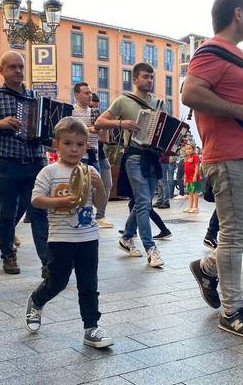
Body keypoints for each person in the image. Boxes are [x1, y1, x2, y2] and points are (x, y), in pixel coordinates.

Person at [182, 0, 243, 339]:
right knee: (234, 235)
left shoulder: (240, 58)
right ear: (238, 14)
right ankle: (232, 312)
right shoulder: (209, 51)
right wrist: (241, 111)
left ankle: (206, 268)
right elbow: (189, 93)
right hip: (228, 154)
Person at [25, 117, 113, 348]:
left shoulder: (90, 169)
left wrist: (100, 186)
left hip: (88, 237)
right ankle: (36, 300)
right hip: (60, 238)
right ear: (56, 144)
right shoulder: (49, 171)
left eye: (80, 144)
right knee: (57, 282)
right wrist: (61, 200)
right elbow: (36, 200)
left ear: (87, 146)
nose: (74, 149)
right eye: (68, 143)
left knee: (88, 284)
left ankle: (91, 328)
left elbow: (100, 204)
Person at [0, 51, 49, 276]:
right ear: (1, 70)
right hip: (6, 164)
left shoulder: (35, 97)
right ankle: (8, 255)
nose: (17, 71)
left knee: (39, 213)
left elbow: (45, 132)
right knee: (6, 212)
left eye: (20, 67)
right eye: (12, 67)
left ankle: (47, 261)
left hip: (36, 162)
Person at [95, 63, 166, 268]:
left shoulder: (158, 103)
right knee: (144, 201)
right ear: (134, 79)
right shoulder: (123, 101)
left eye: (151, 77)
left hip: (152, 157)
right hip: (134, 156)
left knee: (143, 204)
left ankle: (126, 237)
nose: (149, 81)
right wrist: (121, 124)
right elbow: (100, 122)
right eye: (145, 77)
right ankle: (151, 249)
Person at [92, 93, 114, 228]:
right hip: (87, 155)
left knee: (107, 184)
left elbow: (104, 139)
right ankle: (90, 214)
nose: (95, 110)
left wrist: (104, 125)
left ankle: (100, 214)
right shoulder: (78, 114)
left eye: (96, 107)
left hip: (100, 155)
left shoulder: (98, 116)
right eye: (92, 107)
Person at [71, 83, 104, 172]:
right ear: (77, 95)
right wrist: (88, 128)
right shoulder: (71, 110)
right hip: (77, 157)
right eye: (86, 93)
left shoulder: (94, 111)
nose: (90, 96)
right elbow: (68, 131)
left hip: (93, 157)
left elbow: (100, 133)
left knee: (96, 184)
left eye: (90, 93)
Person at [182, 143, 201, 213]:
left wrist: (195, 176)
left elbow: (197, 167)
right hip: (188, 178)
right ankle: (190, 206)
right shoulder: (187, 158)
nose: (188, 150)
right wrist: (185, 178)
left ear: (193, 149)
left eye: (190, 148)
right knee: (189, 192)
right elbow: (185, 169)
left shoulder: (195, 157)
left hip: (193, 177)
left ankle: (195, 207)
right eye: (187, 149)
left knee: (194, 192)